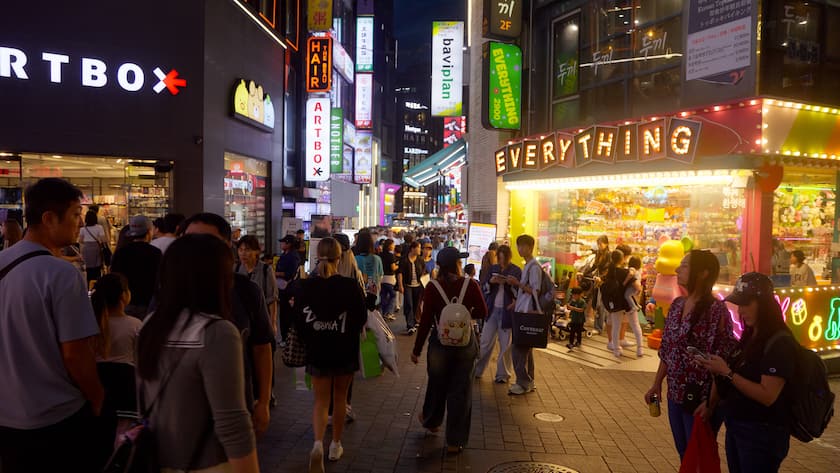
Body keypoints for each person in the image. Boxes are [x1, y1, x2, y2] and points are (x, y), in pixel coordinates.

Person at [0, 178, 104, 472]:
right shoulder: (60, 274)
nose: (79, 222)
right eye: (74, 214)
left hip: (7, 418)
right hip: (55, 416)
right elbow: (76, 353)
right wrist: (97, 397)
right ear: (48, 219)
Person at [136, 234, 259, 472]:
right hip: (208, 465)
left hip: (155, 460)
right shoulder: (217, 332)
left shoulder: (150, 325)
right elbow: (233, 424)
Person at [696, 272, 797, 473]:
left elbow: (767, 395)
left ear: (763, 304)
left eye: (746, 304)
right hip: (738, 428)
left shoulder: (780, 342)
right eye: (738, 305)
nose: (740, 311)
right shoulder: (751, 336)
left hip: (761, 434)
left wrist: (727, 373)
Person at [183, 213, 275, 435]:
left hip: (235, 410)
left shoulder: (246, 291)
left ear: (226, 246)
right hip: (181, 415)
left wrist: (262, 402)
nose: (198, 250)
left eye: (207, 242)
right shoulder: (169, 291)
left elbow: (262, 349)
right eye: (189, 242)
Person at [644, 249, 739, 459]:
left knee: (698, 454)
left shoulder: (716, 311)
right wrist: (657, 383)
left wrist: (711, 403)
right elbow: (668, 350)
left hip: (700, 397)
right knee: (684, 452)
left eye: (685, 265)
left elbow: (722, 359)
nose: (678, 269)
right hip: (675, 393)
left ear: (703, 273)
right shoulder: (677, 305)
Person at [292, 238, 367, 472]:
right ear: (340, 257)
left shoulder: (305, 286)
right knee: (340, 398)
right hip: (344, 349)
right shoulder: (349, 286)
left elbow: (298, 320)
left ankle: (317, 444)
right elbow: (361, 319)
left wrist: (312, 335)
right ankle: (335, 444)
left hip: (317, 349)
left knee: (320, 400)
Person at [411, 247, 488, 454]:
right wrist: (465, 312)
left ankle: (432, 422)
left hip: (440, 345)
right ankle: (455, 441)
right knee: (460, 391)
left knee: (437, 385)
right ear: (456, 264)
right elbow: (483, 311)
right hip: (465, 345)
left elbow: (426, 321)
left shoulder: (433, 287)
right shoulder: (470, 285)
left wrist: (416, 350)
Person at [90, 273, 142, 458]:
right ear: (124, 295)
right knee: (122, 442)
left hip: (96, 385)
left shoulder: (91, 324)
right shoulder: (135, 325)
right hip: (126, 390)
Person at [476, 244, 521, 383]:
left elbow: (520, 291)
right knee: (485, 342)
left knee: (505, 344)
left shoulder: (516, 270)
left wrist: (511, 283)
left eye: (504, 259)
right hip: (493, 309)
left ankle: (503, 374)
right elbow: (484, 287)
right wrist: (491, 281)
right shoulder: (493, 269)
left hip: (507, 311)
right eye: (499, 259)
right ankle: (477, 370)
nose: (501, 262)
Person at [506, 234, 542, 395]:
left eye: (522, 246)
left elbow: (536, 291)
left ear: (529, 247)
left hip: (528, 313)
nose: (519, 249)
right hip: (523, 311)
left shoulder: (534, 267)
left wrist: (517, 283)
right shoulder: (528, 265)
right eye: (518, 245)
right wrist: (516, 301)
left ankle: (523, 382)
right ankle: (529, 381)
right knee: (526, 349)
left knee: (518, 349)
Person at [110, 215, 162, 319]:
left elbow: (114, 277)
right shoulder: (155, 253)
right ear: (148, 232)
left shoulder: (121, 253)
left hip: (126, 303)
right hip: (148, 303)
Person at [237, 235, 279, 336]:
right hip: (240, 320)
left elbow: (272, 299)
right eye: (240, 249)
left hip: (260, 320)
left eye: (247, 250)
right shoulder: (236, 269)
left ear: (257, 252)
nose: (243, 253)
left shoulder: (266, 270)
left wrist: (273, 323)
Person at [397, 241, 425, 335]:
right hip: (407, 285)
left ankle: (413, 321)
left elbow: (424, 272)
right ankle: (410, 325)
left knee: (416, 304)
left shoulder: (420, 260)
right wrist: (400, 285)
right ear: (412, 249)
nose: (420, 250)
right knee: (409, 304)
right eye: (418, 248)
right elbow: (400, 273)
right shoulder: (404, 259)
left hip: (418, 285)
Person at [623, 255, 645, 357]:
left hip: (624, 305)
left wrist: (625, 282)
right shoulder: (639, 271)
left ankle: (639, 347)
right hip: (627, 303)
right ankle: (639, 347)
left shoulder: (631, 271)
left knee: (633, 324)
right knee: (634, 325)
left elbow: (636, 285)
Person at [355, 231, 384, 306]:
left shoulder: (355, 259)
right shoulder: (377, 259)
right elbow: (380, 277)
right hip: (374, 297)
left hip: (359, 298)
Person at [79, 208, 108, 282]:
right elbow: (103, 240)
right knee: (97, 268)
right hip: (96, 248)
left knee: (88, 269)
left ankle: (89, 285)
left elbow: (81, 241)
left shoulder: (83, 229)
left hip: (86, 249)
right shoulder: (99, 227)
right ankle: (96, 284)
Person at [380, 238, 399, 320]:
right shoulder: (391, 256)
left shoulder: (380, 254)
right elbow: (393, 268)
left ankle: (384, 313)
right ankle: (389, 312)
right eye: (393, 245)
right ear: (389, 246)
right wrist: (398, 265)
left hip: (381, 278)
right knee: (393, 295)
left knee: (383, 296)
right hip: (390, 279)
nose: (394, 246)